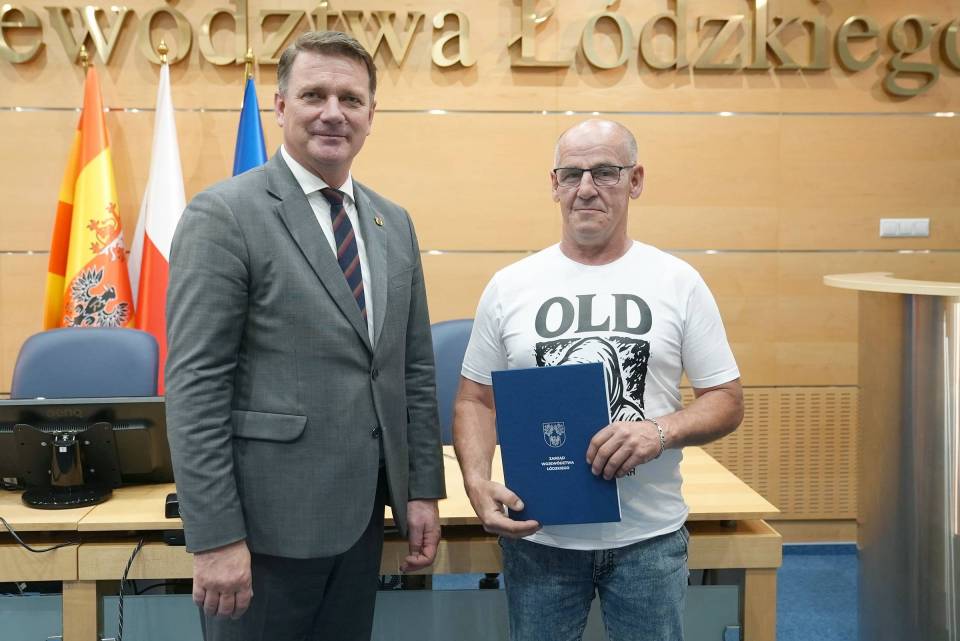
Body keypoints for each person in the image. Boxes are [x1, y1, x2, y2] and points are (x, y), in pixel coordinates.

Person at [165, 30, 445, 641]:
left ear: (371, 114)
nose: (333, 113)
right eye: (314, 94)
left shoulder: (393, 223)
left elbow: (413, 371)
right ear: (280, 106)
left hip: (363, 522)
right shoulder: (224, 215)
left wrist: (422, 491)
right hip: (263, 534)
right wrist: (215, 538)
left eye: (351, 99)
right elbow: (195, 390)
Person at [453, 119, 744, 641]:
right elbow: (475, 400)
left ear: (635, 180)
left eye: (605, 172)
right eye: (572, 174)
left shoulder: (678, 282)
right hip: (540, 538)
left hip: (648, 540)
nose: (586, 188)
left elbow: (725, 399)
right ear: (555, 184)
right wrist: (475, 481)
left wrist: (659, 431)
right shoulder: (509, 286)